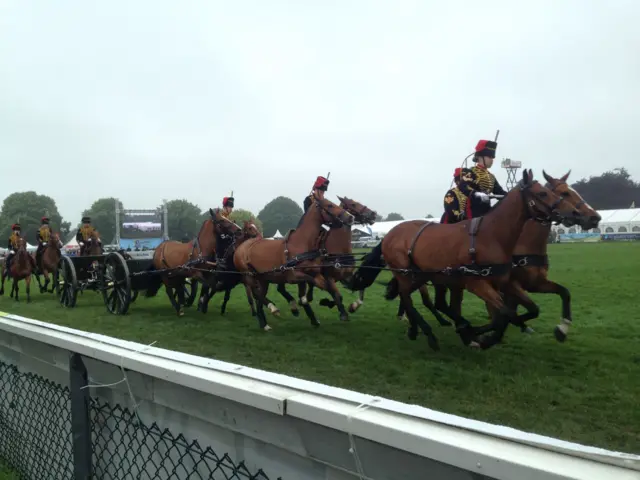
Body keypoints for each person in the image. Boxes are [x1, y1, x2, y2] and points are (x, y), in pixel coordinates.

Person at [459, 139, 508, 219]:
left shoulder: (491, 177)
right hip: (472, 212)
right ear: (480, 157)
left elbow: (500, 192)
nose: (492, 160)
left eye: (492, 158)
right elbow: (462, 186)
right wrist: (476, 194)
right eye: (490, 157)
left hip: (487, 212)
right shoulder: (471, 172)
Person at [215, 196, 235, 271]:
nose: (231, 209)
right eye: (229, 207)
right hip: (219, 236)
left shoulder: (228, 217)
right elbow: (217, 226)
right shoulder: (220, 214)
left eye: (231, 207)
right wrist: (222, 234)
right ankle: (220, 259)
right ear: (225, 207)